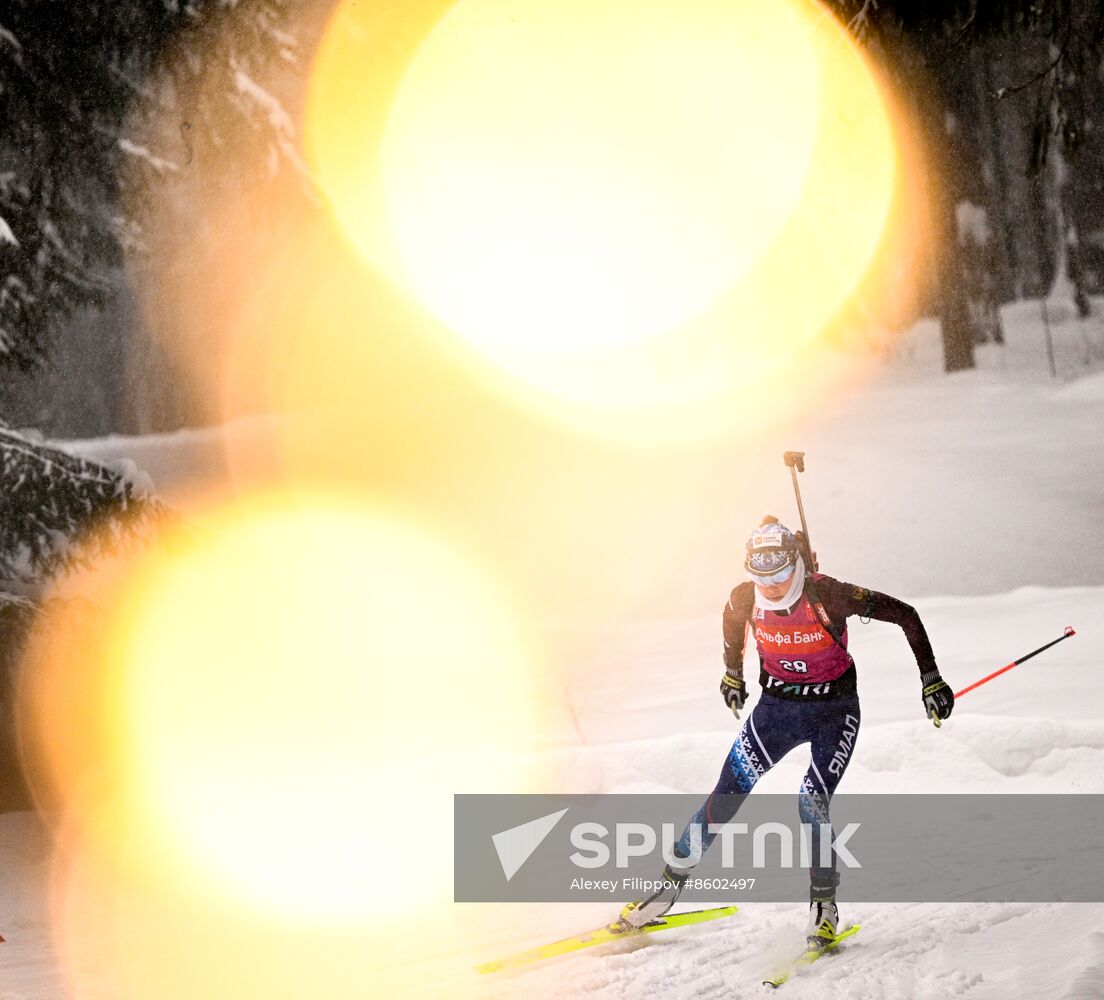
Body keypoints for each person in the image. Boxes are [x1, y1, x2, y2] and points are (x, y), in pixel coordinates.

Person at [617, 515, 954, 949]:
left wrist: (932, 679)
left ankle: (824, 907)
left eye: (780, 576)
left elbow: (906, 615)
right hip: (776, 711)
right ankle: (665, 891)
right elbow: (730, 623)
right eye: (762, 578)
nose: (773, 587)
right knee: (725, 795)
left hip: (834, 712)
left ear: (797, 564)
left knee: (810, 802)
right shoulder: (744, 598)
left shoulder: (829, 593)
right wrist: (732, 674)